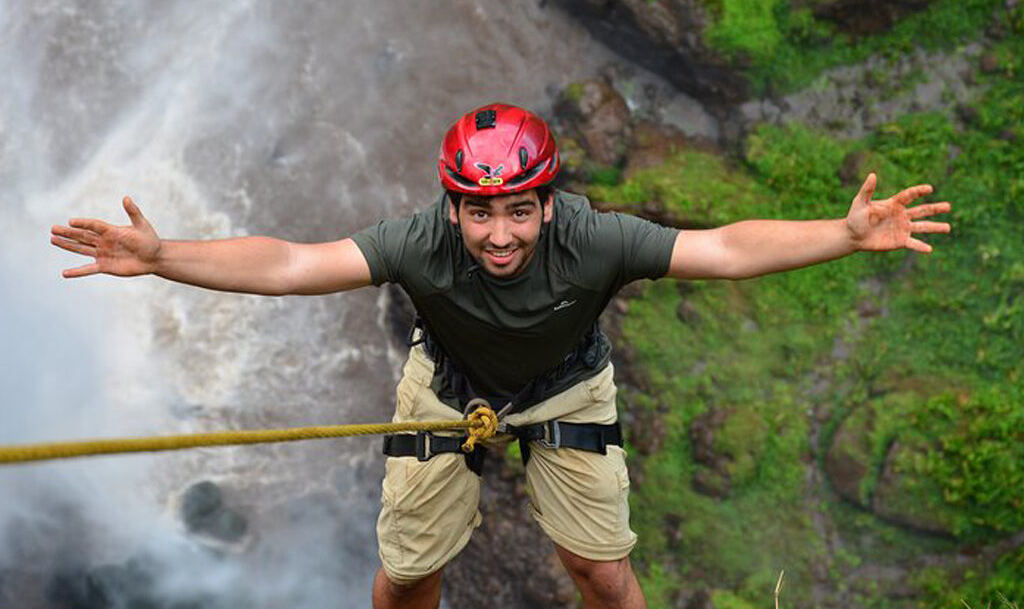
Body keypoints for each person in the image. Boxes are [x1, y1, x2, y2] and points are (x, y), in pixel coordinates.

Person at [51, 102, 952, 609]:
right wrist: (167, 258)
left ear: (549, 204)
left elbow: (718, 249)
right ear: (451, 208)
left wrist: (840, 234)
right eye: (479, 211)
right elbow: (293, 263)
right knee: (407, 577)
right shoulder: (417, 243)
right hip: (448, 387)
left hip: (566, 389)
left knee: (601, 570)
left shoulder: (595, 241)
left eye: (519, 208)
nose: (499, 233)